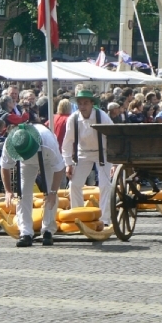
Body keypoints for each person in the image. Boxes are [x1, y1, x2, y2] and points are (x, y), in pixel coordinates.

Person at [0, 124, 66, 248]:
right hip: (25, 162)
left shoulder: (48, 142)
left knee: (50, 194)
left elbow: (59, 169)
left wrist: (53, 192)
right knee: (23, 193)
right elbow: (4, 167)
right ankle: (25, 233)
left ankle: (48, 231)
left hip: (46, 159)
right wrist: (8, 191)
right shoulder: (11, 143)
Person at [62, 90, 114, 230]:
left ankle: (105, 219)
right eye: (80, 103)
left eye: (85, 103)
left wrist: (114, 160)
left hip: (102, 153)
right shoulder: (73, 119)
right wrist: (68, 164)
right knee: (74, 185)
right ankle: (79, 216)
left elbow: (113, 135)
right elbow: (67, 142)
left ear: (92, 103)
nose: (82, 106)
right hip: (83, 154)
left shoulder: (101, 116)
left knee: (104, 185)